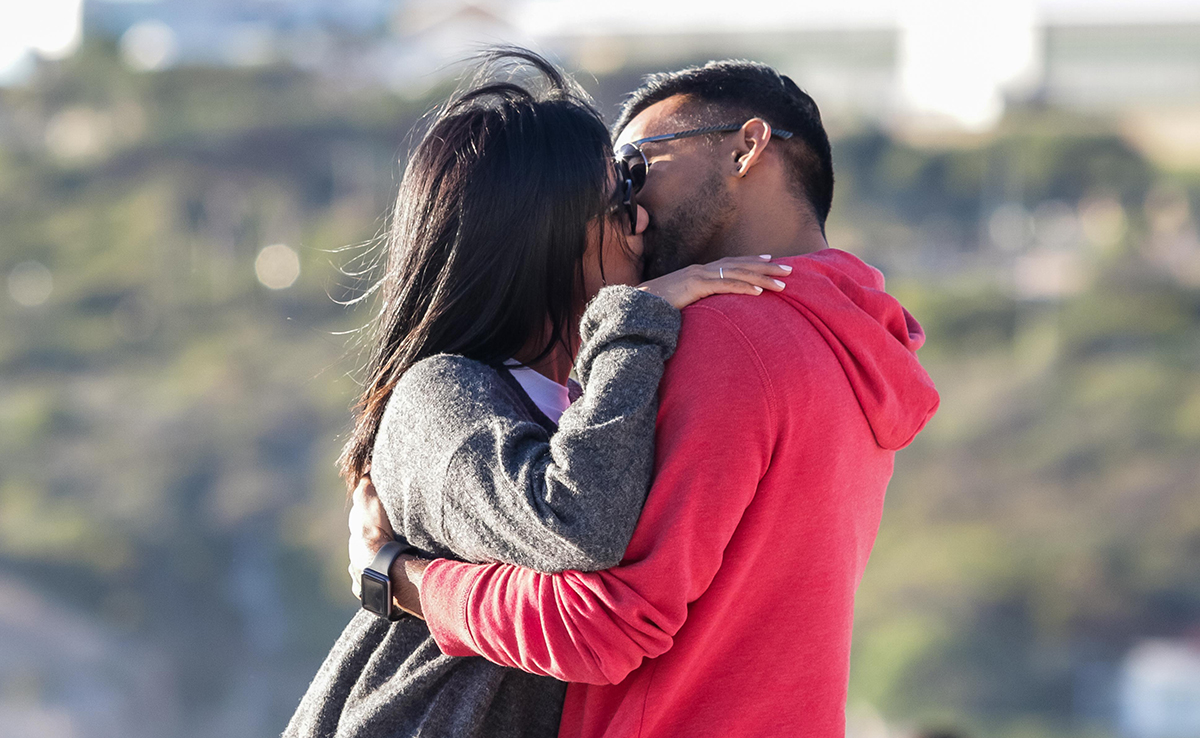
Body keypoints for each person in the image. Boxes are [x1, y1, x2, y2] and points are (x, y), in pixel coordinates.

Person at [348, 60, 941, 737]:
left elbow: (599, 624)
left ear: (745, 149)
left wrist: (397, 578)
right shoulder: (857, 347)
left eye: (636, 166)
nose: (633, 207)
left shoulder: (723, 336)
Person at [284, 50, 790, 738]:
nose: (642, 222)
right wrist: (636, 316)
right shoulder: (437, 395)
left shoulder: (586, 388)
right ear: (542, 234)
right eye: (618, 204)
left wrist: (393, 574)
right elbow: (578, 522)